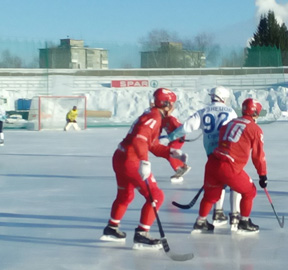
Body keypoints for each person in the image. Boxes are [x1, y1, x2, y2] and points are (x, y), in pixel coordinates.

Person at [100, 88, 188, 249]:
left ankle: (112, 227)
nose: (174, 107)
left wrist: (171, 152)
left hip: (121, 156)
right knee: (156, 195)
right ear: (166, 104)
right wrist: (144, 162)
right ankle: (142, 233)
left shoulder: (152, 114)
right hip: (131, 160)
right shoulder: (155, 117)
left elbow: (152, 144)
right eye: (172, 103)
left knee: (125, 195)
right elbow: (140, 139)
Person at [168, 86, 241, 229]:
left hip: (211, 153)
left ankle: (218, 212)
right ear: (223, 98)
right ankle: (235, 215)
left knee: (218, 180)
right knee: (235, 181)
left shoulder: (203, 112)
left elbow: (187, 127)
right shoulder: (230, 111)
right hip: (228, 152)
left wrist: (171, 137)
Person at [193, 98, 267, 235]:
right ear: (255, 113)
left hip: (213, 162)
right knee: (250, 191)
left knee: (211, 196)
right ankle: (244, 222)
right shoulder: (255, 129)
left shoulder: (229, 123)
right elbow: (258, 156)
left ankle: (201, 221)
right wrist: (262, 175)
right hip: (230, 166)